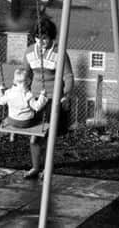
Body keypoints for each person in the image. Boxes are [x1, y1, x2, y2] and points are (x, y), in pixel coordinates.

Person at [22, 17, 74, 179]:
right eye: (38, 37)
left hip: (53, 99)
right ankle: (36, 167)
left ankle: (47, 169)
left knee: (49, 137)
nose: (41, 41)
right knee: (34, 137)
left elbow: (68, 76)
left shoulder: (59, 53)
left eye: (44, 37)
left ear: (51, 36)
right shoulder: (30, 51)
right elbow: (26, 75)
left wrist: (66, 95)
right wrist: (21, 89)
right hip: (36, 99)